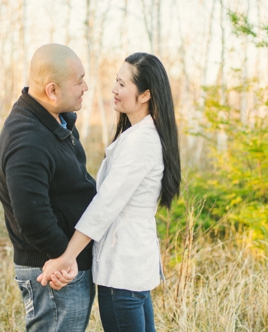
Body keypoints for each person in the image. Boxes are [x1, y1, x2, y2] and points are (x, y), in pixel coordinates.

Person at [38, 52, 182, 332]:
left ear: (145, 95)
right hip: (133, 267)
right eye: (116, 81)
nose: (114, 90)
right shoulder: (143, 133)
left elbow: (105, 206)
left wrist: (67, 257)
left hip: (123, 271)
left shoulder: (141, 141)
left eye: (123, 85)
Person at [0, 43, 98, 331]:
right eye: (78, 81)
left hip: (64, 264)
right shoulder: (27, 139)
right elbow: (32, 216)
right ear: (52, 91)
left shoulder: (54, 119)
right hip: (53, 272)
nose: (85, 87)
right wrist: (65, 258)